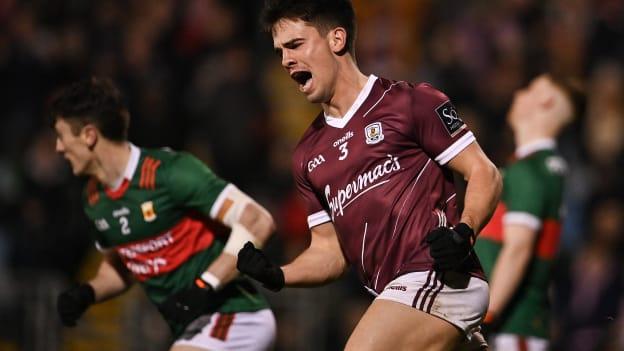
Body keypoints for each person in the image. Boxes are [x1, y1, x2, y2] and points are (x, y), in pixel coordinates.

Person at [236, 1, 502, 350]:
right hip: (394, 296)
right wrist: (280, 274)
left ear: (337, 39)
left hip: (440, 277)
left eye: (296, 45)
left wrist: (464, 233)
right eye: (280, 51)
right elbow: (330, 251)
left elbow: (485, 172)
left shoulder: (412, 102)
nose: (285, 60)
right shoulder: (307, 155)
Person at [51, 77, 277, 351]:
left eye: (62, 136)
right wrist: (86, 293)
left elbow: (257, 221)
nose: (59, 147)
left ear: (89, 135)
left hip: (236, 316)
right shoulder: (94, 199)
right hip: (193, 330)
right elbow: (124, 265)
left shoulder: (170, 173)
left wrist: (204, 286)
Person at [474, 74, 585, 350]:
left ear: (545, 100)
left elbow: (518, 248)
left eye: (529, 88)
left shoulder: (529, 172)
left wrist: (485, 316)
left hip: (510, 329)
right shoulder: (545, 169)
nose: (519, 93)